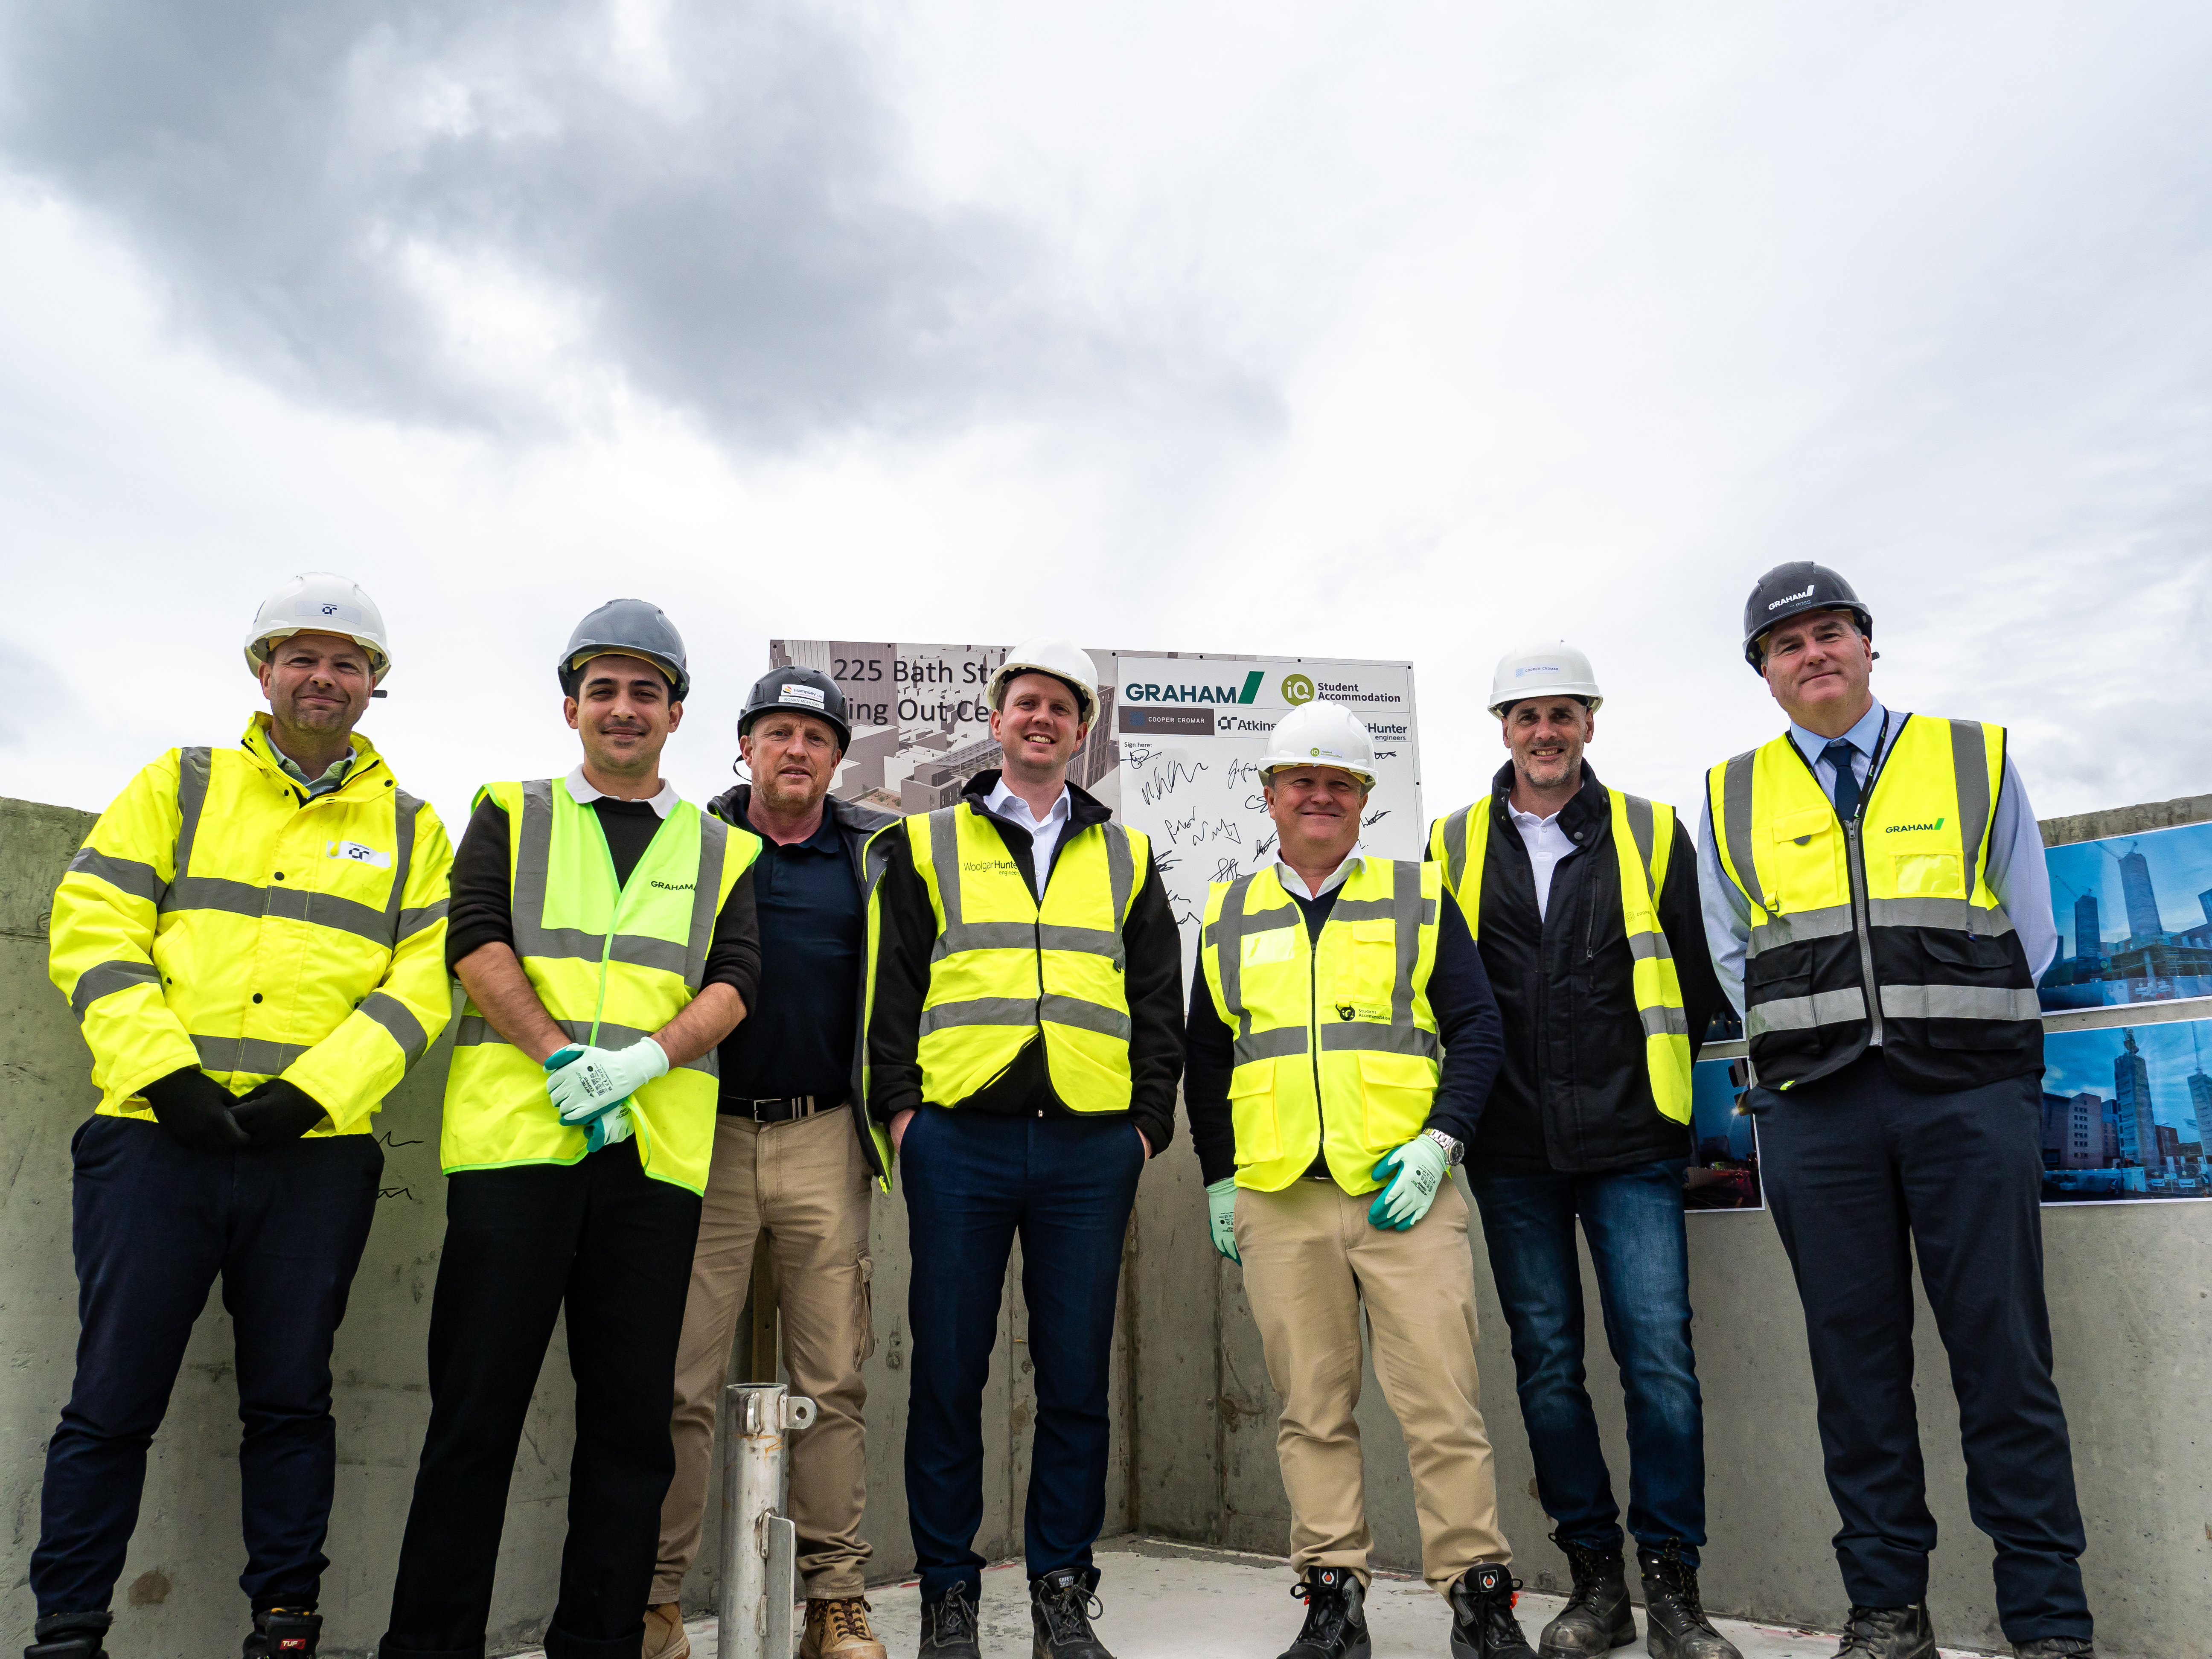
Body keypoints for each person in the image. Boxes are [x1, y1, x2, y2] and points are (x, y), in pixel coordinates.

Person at [36, 574, 453, 1659]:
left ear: (375, 687)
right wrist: (164, 1071)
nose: (324, 678)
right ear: (262, 671)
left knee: (287, 1402)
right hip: (151, 1143)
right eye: (302, 658)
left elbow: (422, 987)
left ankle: (285, 1625)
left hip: (309, 1160)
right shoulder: (180, 783)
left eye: (348, 662)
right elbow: (93, 922)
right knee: (110, 1403)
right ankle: (68, 1630)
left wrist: (315, 1094)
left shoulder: (413, 830)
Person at [1700, 564, 2090, 1659]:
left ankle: (2050, 1626)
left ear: (1870, 647)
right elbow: (1734, 953)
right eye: (1787, 644)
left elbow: (2032, 925)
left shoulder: (1973, 757)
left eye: (1832, 633)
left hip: (1969, 1099)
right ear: (1764, 674)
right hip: (1817, 1114)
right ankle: (1887, 1613)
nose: (1812, 653)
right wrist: (1816, 1044)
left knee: (2005, 1362)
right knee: (1855, 1373)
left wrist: (1960, 1041)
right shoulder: (1730, 795)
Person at [378, 600, 763, 1659]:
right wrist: (558, 1053)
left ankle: (597, 1645)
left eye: (647, 691)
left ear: (677, 714)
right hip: (517, 1147)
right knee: (473, 1418)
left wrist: (643, 1061)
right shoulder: (510, 809)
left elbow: (737, 980)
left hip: (652, 1158)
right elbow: (474, 937)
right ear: (571, 705)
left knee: (631, 1432)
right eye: (605, 689)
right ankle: (430, 1645)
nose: (624, 708)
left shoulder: (720, 846)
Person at [1187, 699, 1530, 1659]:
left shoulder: (1418, 896)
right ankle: (1332, 1596)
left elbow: (1478, 1030)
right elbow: (1208, 1060)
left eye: (1340, 783)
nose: (1320, 797)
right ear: (1270, 796)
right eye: (1303, 781)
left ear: (1365, 798)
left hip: (1404, 1197)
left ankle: (1481, 1597)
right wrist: (1221, 1179)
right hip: (1279, 1200)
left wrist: (1442, 1142)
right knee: (1310, 1411)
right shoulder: (1228, 910)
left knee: (1444, 1405)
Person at [862, 638, 1183, 1659]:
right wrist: (906, 1120)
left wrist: (1145, 1129)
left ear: (1083, 733)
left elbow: (1158, 1005)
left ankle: (1058, 1590)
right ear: (997, 721)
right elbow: (890, 994)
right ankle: (948, 1595)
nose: (1042, 719)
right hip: (958, 1142)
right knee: (950, 1372)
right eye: (1026, 703)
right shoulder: (924, 845)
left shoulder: (1127, 856)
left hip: (1091, 1150)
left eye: (1062, 709)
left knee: (1076, 1377)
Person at [1427, 646, 1735, 1659]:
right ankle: (1595, 1582)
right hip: (1510, 1147)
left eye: (1562, 714)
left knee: (1659, 1362)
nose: (1544, 732)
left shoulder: (1652, 830)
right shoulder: (1453, 840)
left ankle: (1674, 1590)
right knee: (1549, 1365)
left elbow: (1694, 980)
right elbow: (1438, 990)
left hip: (1631, 1140)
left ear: (1591, 724)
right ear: (1502, 729)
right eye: (1526, 716)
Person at [643, 667, 898, 1659]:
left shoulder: (876, 854)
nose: (797, 749)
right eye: (778, 731)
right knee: (678, 1382)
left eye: (817, 736)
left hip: (825, 1135)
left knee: (831, 1380)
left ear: (839, 759)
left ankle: (834, 1603)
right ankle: (660, 1603)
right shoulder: (695, 843)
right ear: (743, 745)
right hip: (701, 1132)